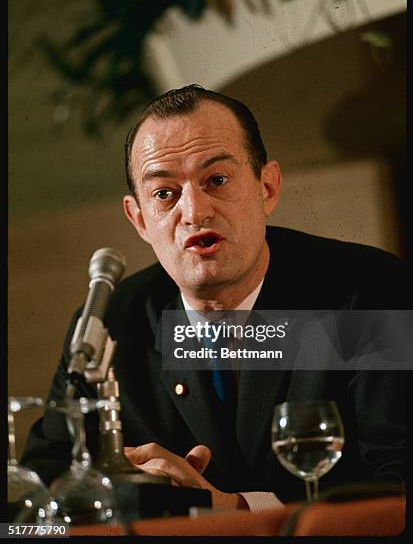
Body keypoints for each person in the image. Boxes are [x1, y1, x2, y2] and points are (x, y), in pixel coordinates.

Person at [21, 84, 409, 511]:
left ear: (267, 188)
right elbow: (43, 482)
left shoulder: (371, 293)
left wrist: (236, 511)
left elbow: (399, 484)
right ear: (139, 219)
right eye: (164, 194)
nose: (194, 211)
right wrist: (124, 492)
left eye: (217, 180)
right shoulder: (113, 319)